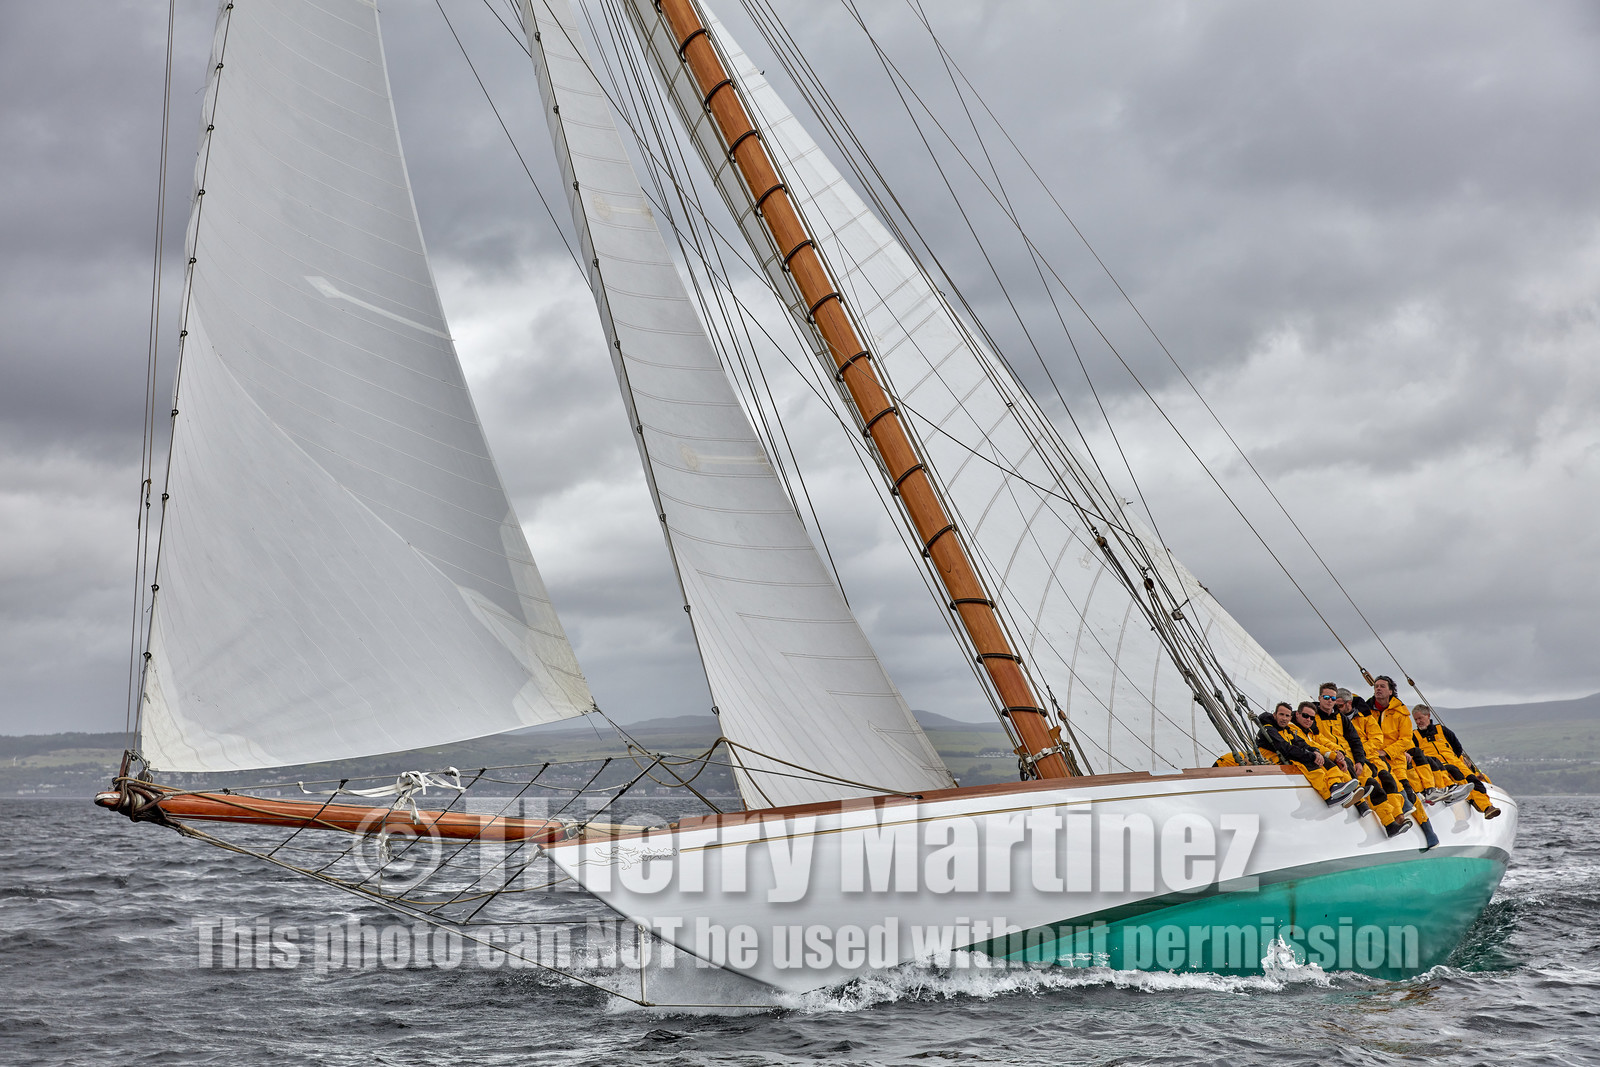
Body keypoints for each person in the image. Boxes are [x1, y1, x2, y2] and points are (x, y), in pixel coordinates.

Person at [1368, 675, 1440, 850]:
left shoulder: (1401, 712)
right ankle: (1395, 817)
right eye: (1376, 686)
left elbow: (1406, 740)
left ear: (1391, 691)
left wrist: (1387, 752)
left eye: (1382, 686)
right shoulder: (1367, 709)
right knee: (1379, 785)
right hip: (1374, 756)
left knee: (1407, 791)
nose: (1378, 689)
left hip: (1395, 758)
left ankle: (1428, 830)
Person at [1257, 702, 1362, 806]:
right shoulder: (1269, 730)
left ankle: (1339, 786)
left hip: (1286, 757)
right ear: (1274, 715)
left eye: (1287, 716)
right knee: (1310, 763)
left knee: (1324, 760)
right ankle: (1328, 796)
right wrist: (1312, 755)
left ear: (1290, 718)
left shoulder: (1287, 730)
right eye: (1281, 714)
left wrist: (1316, 752)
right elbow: (1285, 748)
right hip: (1275, 761)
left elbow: (1301, 744)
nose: (1284, 718)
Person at [1412, 704, 1501, 818]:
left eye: (1420, 718)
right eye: (1416, 719)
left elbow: (1457, 747)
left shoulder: (1442, 730)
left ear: (1428, 716)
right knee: (1457, 776)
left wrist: (1455, 760)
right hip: (1437, 767)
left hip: (1455, 762)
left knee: (1473, 780)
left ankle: (1487, 807)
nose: (1418, 722)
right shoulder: (1414, 736)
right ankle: (1474, 802)